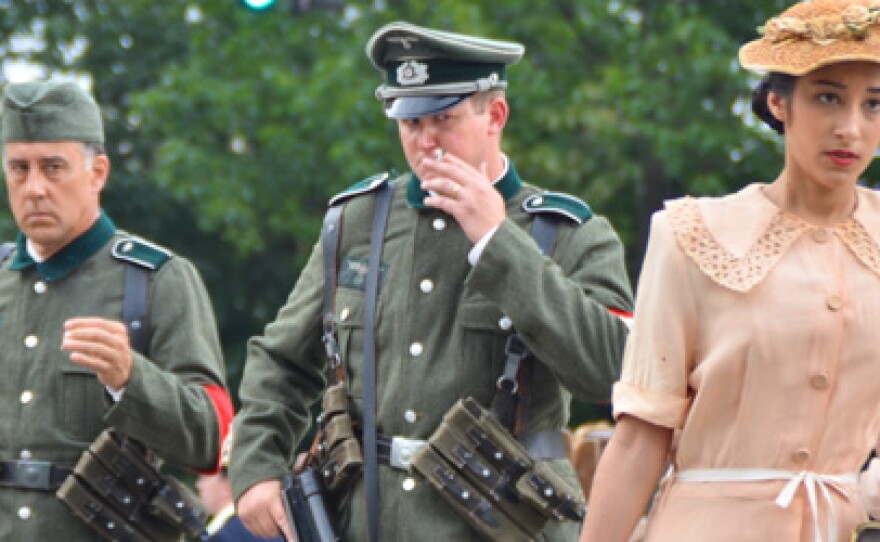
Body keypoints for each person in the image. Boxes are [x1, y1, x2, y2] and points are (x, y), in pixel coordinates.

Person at [229, 21, 633, 542]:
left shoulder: (567, 232)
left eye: (442, 118)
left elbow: (615, 373)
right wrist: (256, 472)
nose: (424, 142)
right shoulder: (354, 223)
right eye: (409, 122)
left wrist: (497, 241)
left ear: (496, 116)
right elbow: (281, 363)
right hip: (367, 522)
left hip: (508, 525)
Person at [580, 1, 880, 541]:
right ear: (778, 102)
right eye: (828, 97)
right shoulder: (692, 235)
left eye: (875, 104)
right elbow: (640, 435)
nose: (851, 129)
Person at [0, 80, 233, 540]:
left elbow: (213, 438)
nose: (35, 188)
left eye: (53, 168)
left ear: (98, 172)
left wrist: (132, 379)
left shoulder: (154, 280)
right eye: (19, 169)